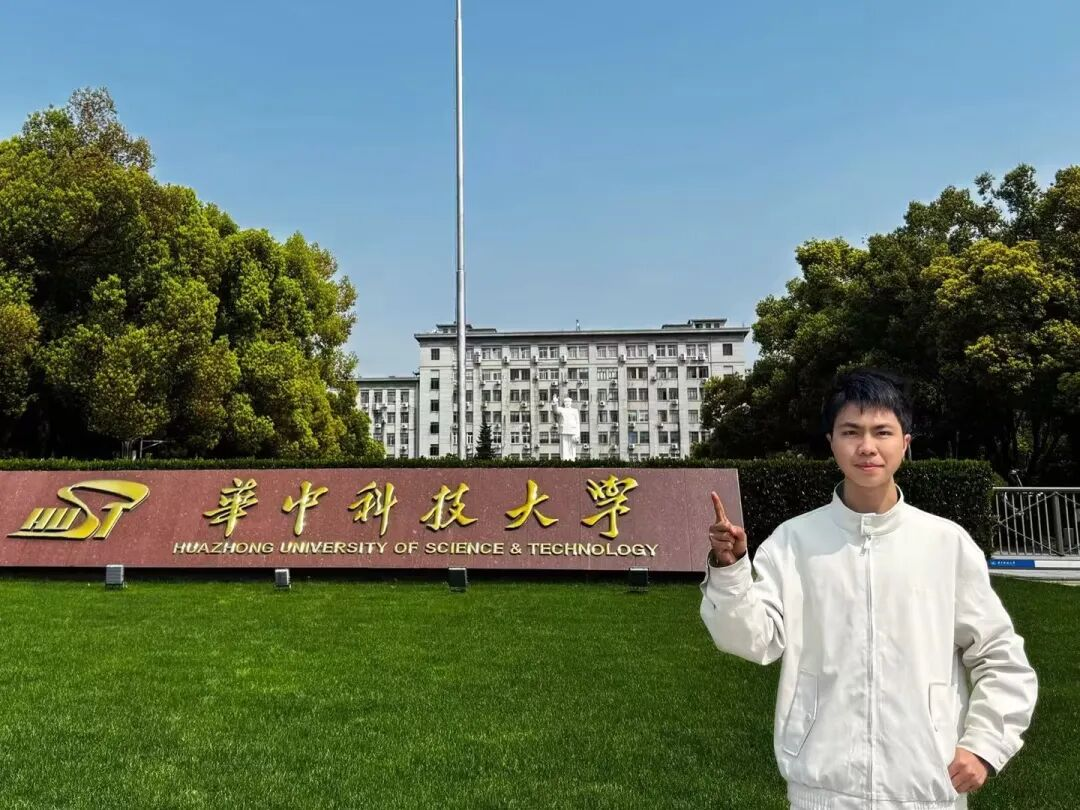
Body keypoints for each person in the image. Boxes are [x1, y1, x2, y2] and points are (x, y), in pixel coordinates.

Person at [699, 369, 1037, 810]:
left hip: (927, 789)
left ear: (905, 443)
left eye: (882, 432)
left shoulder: (945, 543)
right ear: (831, 442)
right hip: (822, 791)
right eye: (851, 432)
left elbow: (1000, 656)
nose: (867, 446)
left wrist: (985, 745)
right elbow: (749, 640)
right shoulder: (794, 541)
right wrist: (730, 571)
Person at [552, 396, 580, 461]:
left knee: (572, 447)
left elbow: (577, 422)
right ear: (564, 403)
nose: (567, 403)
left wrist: (577, 434)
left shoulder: (574, 410)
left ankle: (572, 460)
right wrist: (555, 402)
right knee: (564, 446)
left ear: (571, 403)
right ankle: (564, 460)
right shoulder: (562, 410)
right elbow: (555, 410)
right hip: (563, 430)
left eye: (569, 402)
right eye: (566, 402)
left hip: (572, 430)